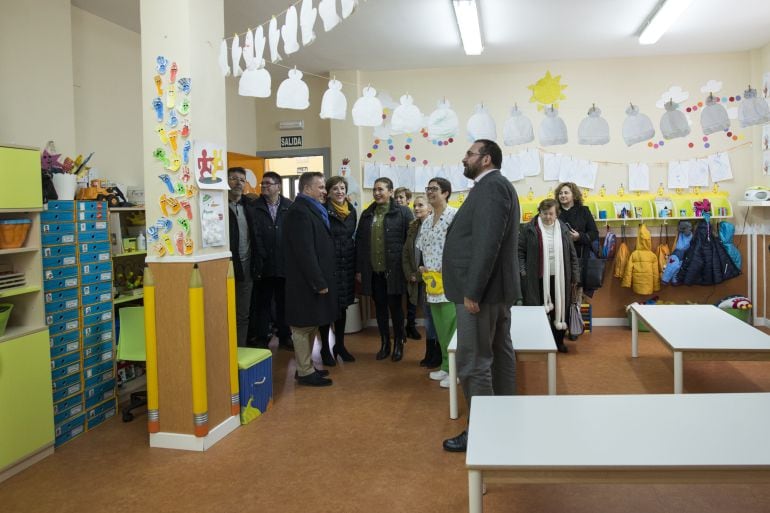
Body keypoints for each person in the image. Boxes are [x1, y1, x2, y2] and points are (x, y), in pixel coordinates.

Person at [441, 139, 520, 453]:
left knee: (474, 363)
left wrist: (473, 290)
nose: (465, 158)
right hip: (493, 290)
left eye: (469, 154)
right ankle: (502, 423)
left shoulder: (491, 188)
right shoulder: (494, 187)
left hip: (482, 293)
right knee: (499, 356)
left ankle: (484, 432)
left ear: (485, 159)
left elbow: (488, 242)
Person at [283, 172, 337, 387]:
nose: (325, 191)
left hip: (313, 279)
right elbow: (305, 252)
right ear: (307, 188)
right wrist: (318, 281)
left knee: (311, 323)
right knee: (301, 327)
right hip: (304, 281)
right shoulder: (299, 212)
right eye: (321, 187)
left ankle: (306, 367)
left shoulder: (311, 209)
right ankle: (304, 372)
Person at [356, 177, 413, 362]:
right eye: (375, 190)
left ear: (390, 191)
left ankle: (398, 343)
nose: (377, 193)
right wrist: (359, 269)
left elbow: (411, 243)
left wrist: (409, 268)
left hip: (394, 271)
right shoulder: (366, 214)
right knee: (379, 308)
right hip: (374, 272)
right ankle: (384, 343)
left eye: (381, 189)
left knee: (395, 308)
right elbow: (360, 244)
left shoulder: (403, 213)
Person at [519, 198, 580, 353]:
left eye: (551, 214)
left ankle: (558, 341)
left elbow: (572, 254)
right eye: (544, 213)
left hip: (560, 279)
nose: (547, 217)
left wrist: (575, 276)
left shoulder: (564, 230)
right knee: (536, 310)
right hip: (535, 278)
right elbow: (519, 252)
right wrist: (523, 272)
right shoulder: (528, 229)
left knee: (560, 309)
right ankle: (538, 341)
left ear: (556, 214)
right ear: (539, 212)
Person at [417, 178, 458, 387]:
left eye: (435, 189)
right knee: (439, 328)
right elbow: (422, 248)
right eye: (428, 188)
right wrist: (422, 266)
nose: (430, 192)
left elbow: (463, 248)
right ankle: (445, 366)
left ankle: (456, 370)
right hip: (432, 283)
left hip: (450, 282)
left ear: (446, 193)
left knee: (452, 327)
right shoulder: (427, 220)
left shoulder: (454, 216)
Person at [250, 171, 294, 350]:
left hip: (284, 264)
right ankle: (262, 336)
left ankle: (285, 336)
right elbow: (254, 235)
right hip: (263, 263)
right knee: (263, 303)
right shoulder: (254, 207)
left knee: (284, 303)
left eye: (268, 183)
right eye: (262, 184)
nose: (264, 186)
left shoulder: (289, 206)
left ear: (278, 186)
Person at [318, 176, 357, 366]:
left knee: (342, 308)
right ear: (328, 192)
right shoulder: (323, 210)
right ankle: (325, 347)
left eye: (342, 188)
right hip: (330, 266)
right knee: (327, 309)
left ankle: (340, 345)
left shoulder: (352, 211)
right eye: (335, 189)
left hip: (346, 265)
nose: (339, 192)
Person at [402, 194, 440, 368]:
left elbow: (432, 254)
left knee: (434, 318)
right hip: (419, 280)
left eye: (421, 205)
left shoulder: (434, 225)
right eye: (415, 206)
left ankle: (437, 354)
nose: (416, 208)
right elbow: (406, 253)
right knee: (428, 318)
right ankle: (429, 352)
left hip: (432, 279)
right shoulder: (413, 227)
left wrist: (417, 274)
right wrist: (410, 272)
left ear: (429, 208)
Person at [227, 167, 262, 347]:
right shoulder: (219, 206)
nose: (238, 183)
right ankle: (225, 350)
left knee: (243, 313)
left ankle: (239, 348)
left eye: (241, 179)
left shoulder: (249, 207)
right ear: (226, 181)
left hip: (247, 266)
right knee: (225, 311)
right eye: (233, 178)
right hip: (226, 268)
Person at [556, 181, 598, 305]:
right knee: (559, 294)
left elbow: (594, 233)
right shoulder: (554, 211)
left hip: (579, 258)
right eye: (560, 193)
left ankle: (574, 322)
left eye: (566, 193)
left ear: (574, 195)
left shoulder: (584, 211)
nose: (562, 195)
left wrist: (579, 236)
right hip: (559, 257)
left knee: (576, 296)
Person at [395, 187, 421, 340]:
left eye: (402, 197)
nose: (398, 200)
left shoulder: (412, 218)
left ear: (408, 200)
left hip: (411, 263)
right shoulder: (391, 215)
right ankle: (401, 327)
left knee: (413, 296)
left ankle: (411, 325)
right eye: (396, 197)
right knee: (399, 296)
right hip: (397, 263)